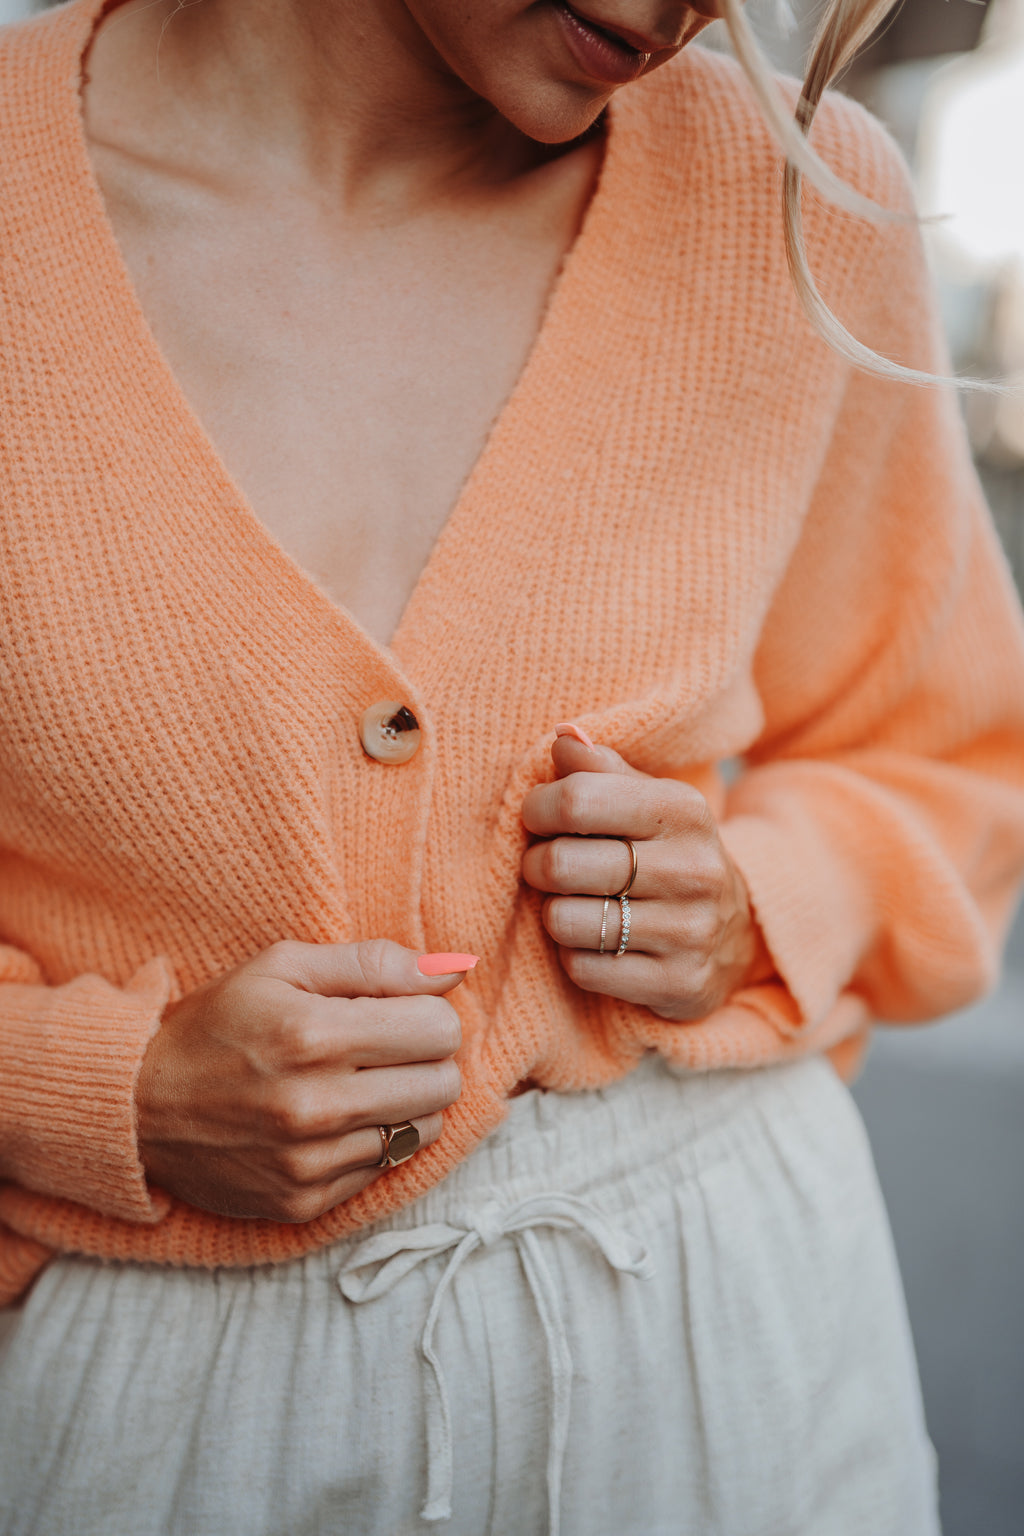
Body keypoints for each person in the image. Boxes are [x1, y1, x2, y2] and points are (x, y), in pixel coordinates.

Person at [1, 0, 1023, 1531]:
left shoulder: (801, 201)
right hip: (165, 1397)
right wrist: (105, 1092)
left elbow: (948, 756)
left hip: (732, 1339)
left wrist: (758, 898)